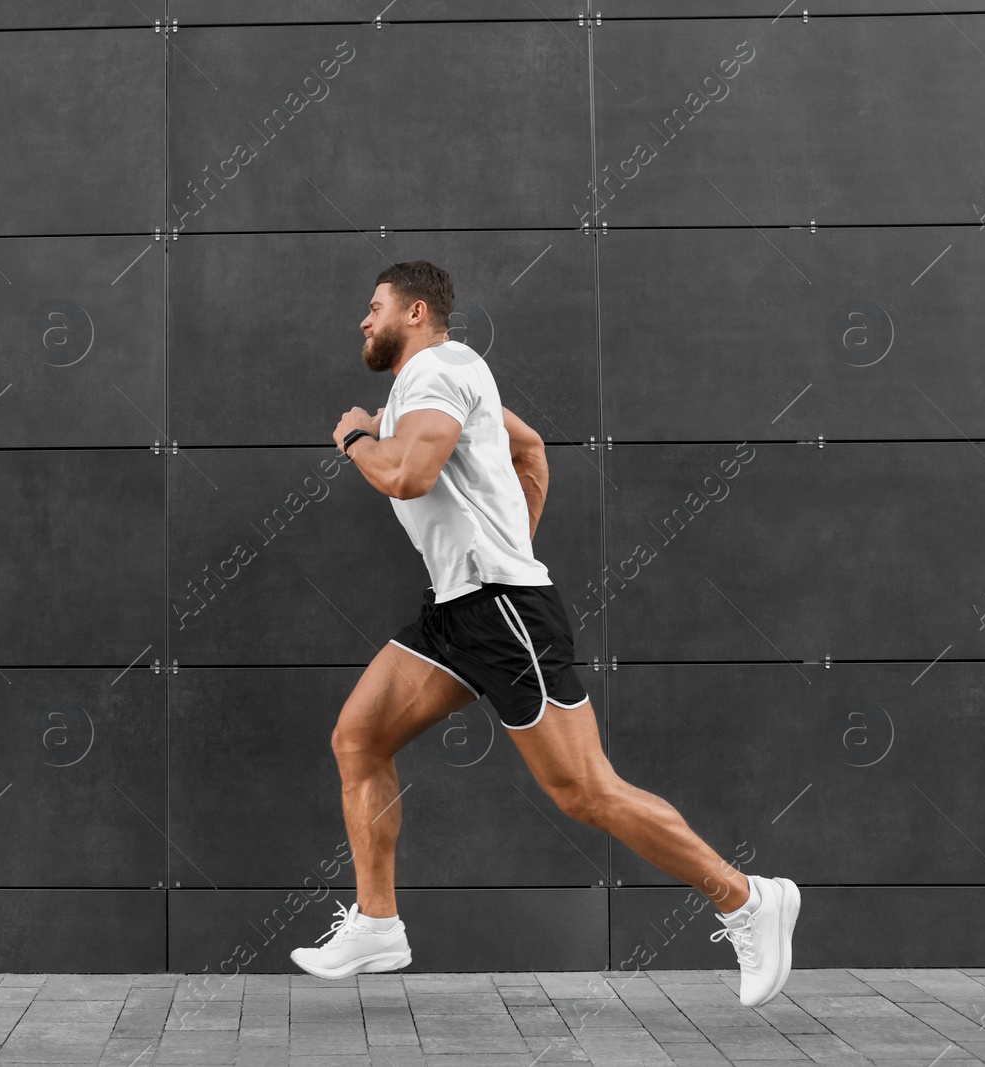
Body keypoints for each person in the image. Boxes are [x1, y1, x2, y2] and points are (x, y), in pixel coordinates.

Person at [289, 260, 799, 1007]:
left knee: (586, 791)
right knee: (359, 737)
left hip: (500, 611)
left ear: (418, 312)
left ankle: (747, 897)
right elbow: (527, 450)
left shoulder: (433, 372)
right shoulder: (448, 376)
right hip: (461, 608)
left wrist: (355, 439)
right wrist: (510, 550)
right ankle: (377, 921)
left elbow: (408, 477)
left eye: (375, 307)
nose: (363, 321)